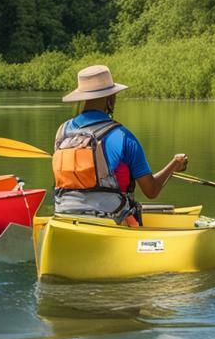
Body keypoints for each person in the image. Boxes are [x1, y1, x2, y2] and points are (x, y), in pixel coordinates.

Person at [52, 64, 189, 226]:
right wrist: (174, 165)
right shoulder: (123, 137)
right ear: (110, 98)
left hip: (64, 217)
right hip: (110, 221)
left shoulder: (62, 132)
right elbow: (151, 191)